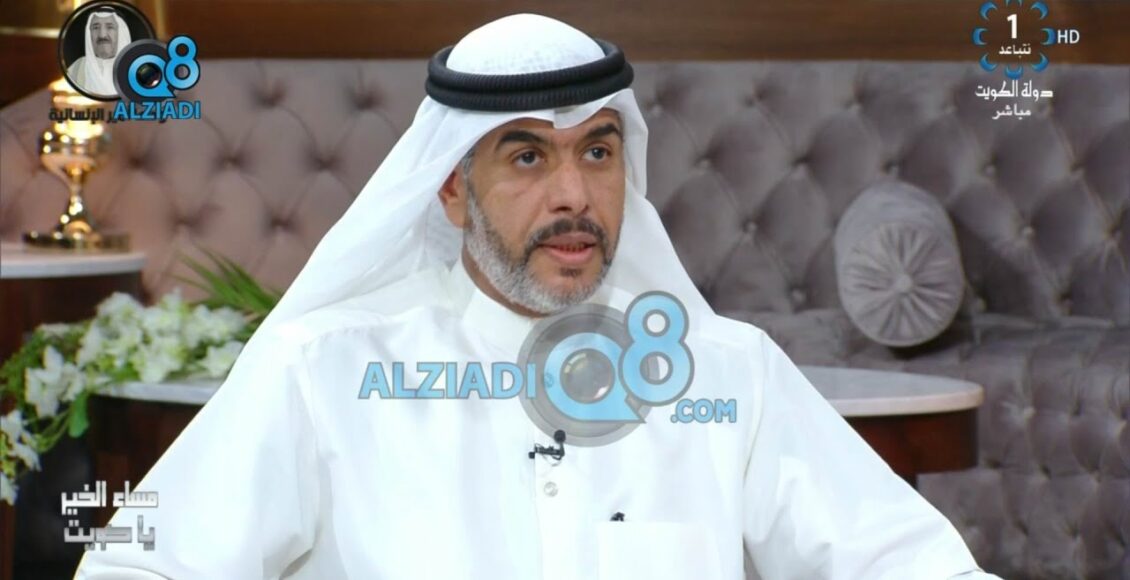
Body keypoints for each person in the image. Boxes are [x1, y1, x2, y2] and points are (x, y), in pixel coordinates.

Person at [74, 13, 1002, 579]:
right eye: (526, 156)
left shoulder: (727, 378)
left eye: (597, 151)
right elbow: (138, 566)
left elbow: (915, 566)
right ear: (452, 190)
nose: (574, 195)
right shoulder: (321, 371)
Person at [65, 8, 131, 98]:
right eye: (96, 28)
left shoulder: (136, 69)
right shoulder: (77, 68)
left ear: (121, 33)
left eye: (110, 27)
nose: (102, 35)